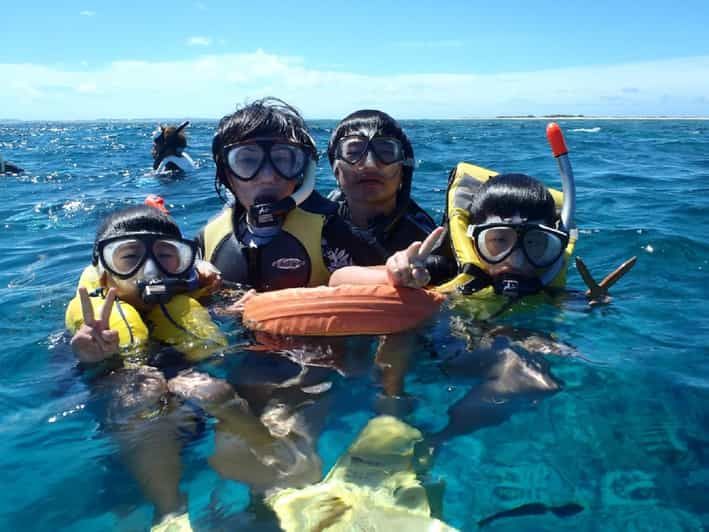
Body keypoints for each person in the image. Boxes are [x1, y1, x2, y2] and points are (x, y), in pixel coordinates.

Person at [64, 205, 248, 531]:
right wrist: (92, 358)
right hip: (126, 418)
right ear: (104, 272)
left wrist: (233, 310)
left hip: (189, 401)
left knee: (214, 390)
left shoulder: (193, 299)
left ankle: (264, 467)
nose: (150, 269)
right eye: (128, 256)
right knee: (144, 393)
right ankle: (169, 511)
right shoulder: (92, 324)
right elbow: (66, 387)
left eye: (166, 256)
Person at [198, 97, 383, 291]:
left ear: (303, 170)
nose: (268, 177)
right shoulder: (208, 238)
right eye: (248, 160)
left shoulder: (334, 232)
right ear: (227, 173)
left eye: (282, 159)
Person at [327, 109, 437, 256]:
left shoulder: (425, 241)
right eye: (353, 153)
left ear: (404, 169)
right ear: (336, 169)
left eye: (386, 152)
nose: (370, 164)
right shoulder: (318, 226)